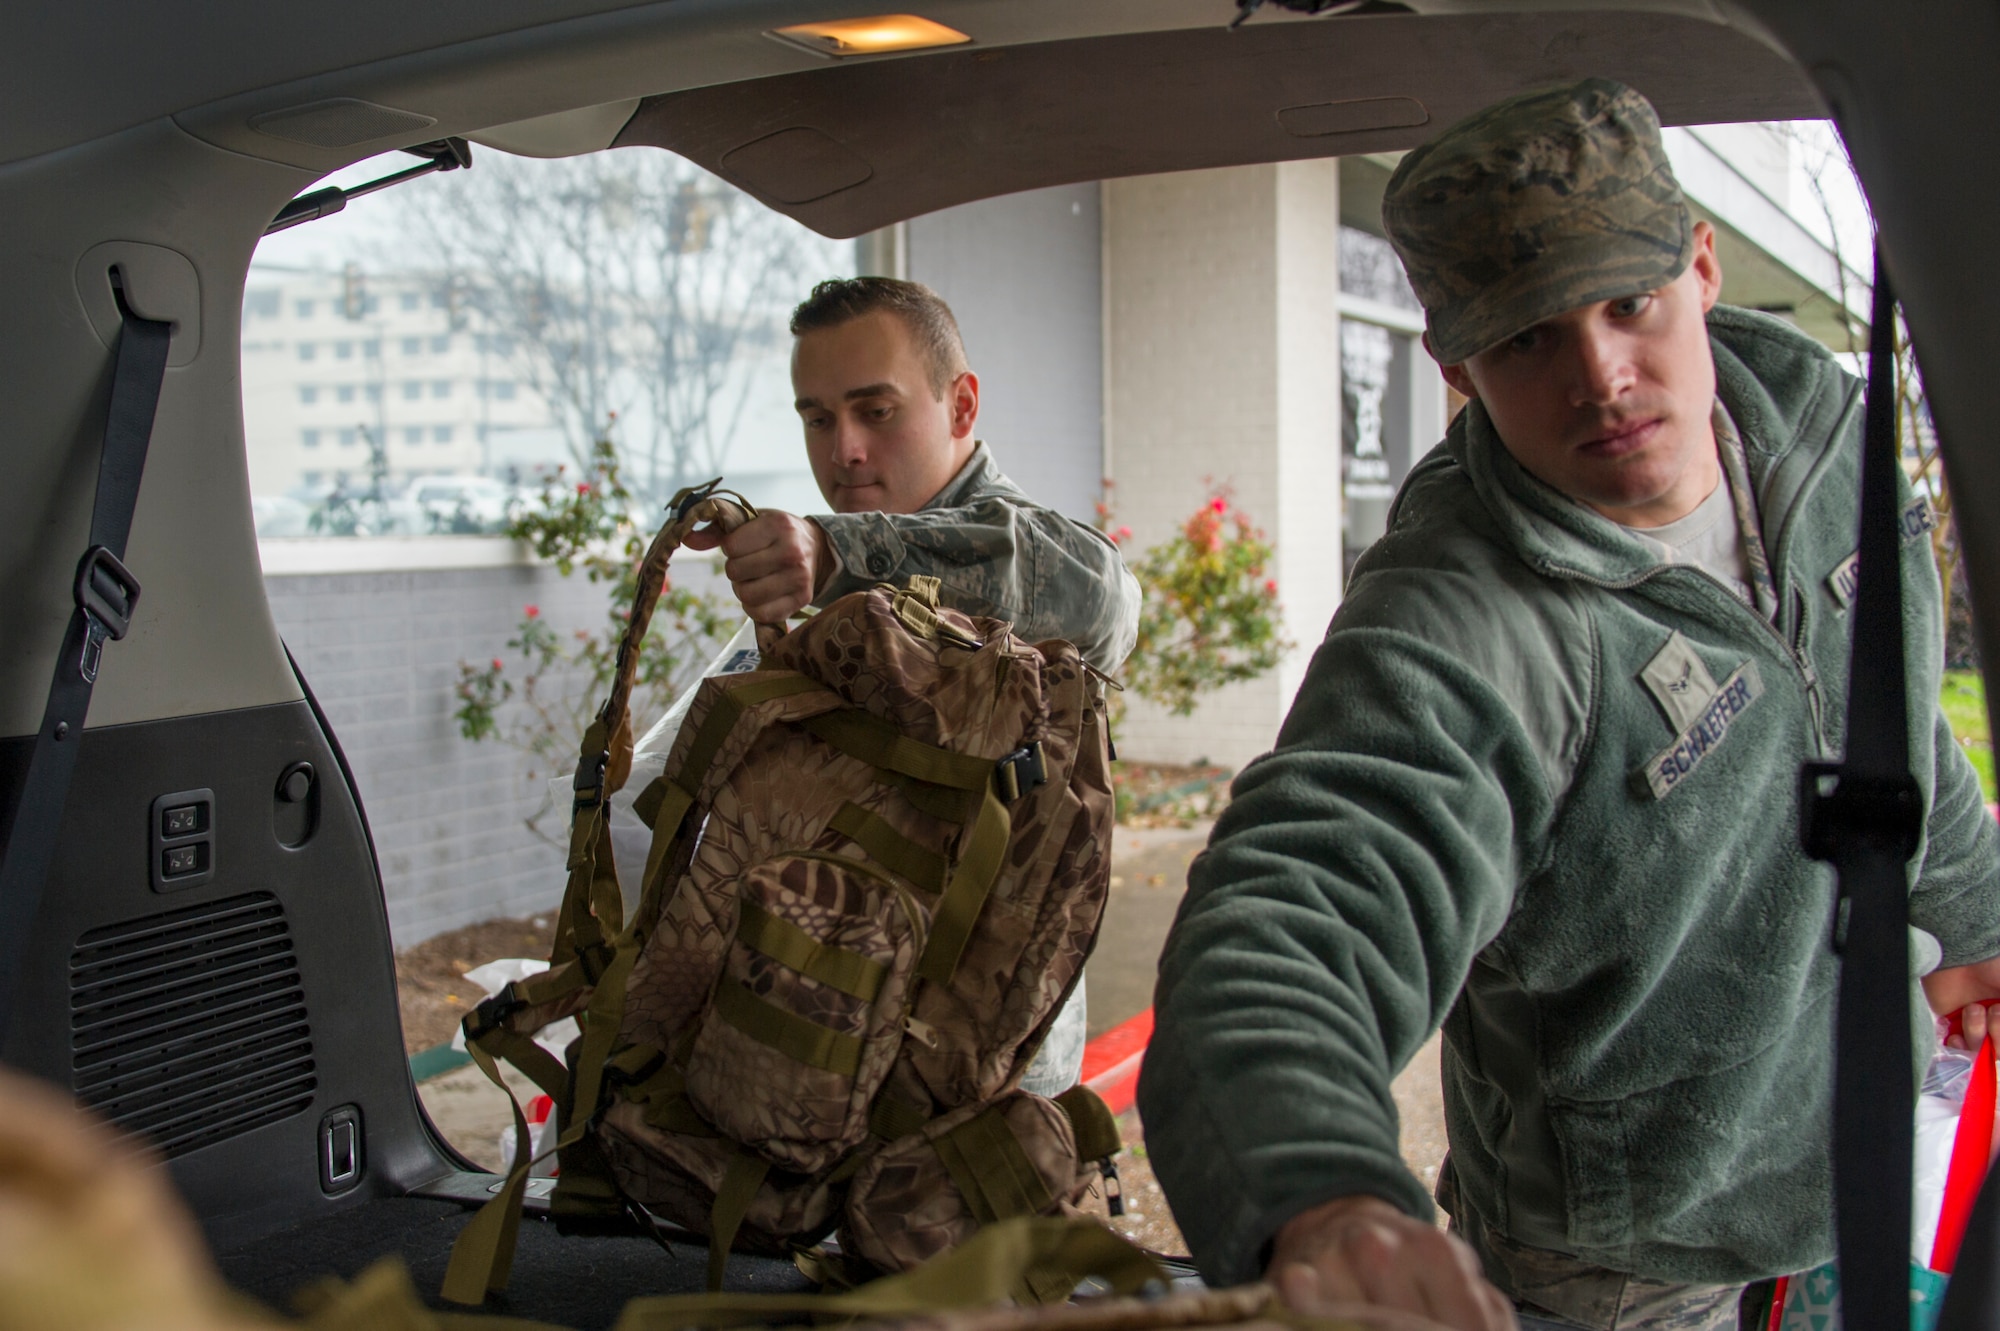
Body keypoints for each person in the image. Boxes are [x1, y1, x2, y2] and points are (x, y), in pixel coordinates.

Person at [1137, 79, 2000, 1331]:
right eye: (1526, 337)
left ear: (1700, 267)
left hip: (1848, 1171)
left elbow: (1894, 706)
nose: (1599, 374)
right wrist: (1321, 1200)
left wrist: (1971, 908)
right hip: (1617, 1273)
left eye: (1625, 302)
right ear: (1452, 363)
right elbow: (1296, 914)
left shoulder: (1817, 430)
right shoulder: (1462, 618)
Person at [685, 276, 1141, 1091]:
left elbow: (1105, 595)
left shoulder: (1025, 562)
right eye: (818, 418)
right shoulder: (829, 603)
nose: (843, 449)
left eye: (876, 410)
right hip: (813, 1070)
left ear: (961, 407)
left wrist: (836, 553)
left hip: (965, 1113)